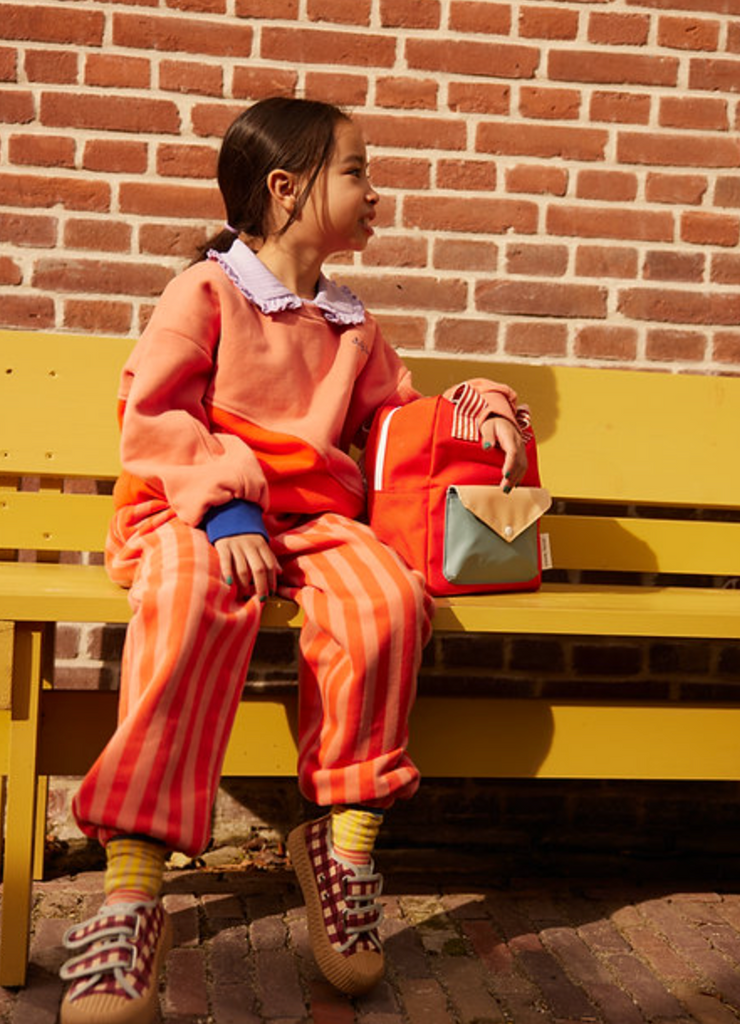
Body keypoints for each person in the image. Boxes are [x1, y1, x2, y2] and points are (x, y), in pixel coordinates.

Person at [57, 96, 528, 1024]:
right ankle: (132, 891)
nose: (374, 191)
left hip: (311, 521)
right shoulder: (206, 293)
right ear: (285, 188)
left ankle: (343, 847)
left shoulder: (352, 325)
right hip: (196, 510)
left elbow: (398, 421)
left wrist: (482, 409)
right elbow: (155, 415)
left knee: (386, 601)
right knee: (189, 597)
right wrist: (226, 505)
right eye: (356, 171)